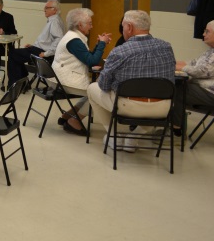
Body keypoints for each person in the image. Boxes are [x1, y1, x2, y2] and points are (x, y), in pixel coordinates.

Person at [87, 10, 175, 152]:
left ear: (129, 27)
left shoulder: (119, 51)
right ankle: (133, 137)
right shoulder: (167, 47)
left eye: (123, 27)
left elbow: (103, 85)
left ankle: (115, 135)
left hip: (128, 106)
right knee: (153, 99)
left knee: (92, 88)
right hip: (162, 108)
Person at [51, 8, 111, 135]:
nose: (92, 26)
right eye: (89, 23)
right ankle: (75, 121)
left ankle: (68, 116)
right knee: (98, 95)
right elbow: (92, 61)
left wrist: (98, 45)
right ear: (80, 25)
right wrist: (102, 45)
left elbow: (87, 57)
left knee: (92, 91)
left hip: (61, 77)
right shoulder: (74, 40)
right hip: (65, 80)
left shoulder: (74, 36)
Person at [6, 0, 65, 83]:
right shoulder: (54, 20)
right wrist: (33, 46)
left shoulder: (54, 22)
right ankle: (21, 81)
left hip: (42, 52)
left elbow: (59, 39)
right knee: (15, 55)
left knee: (13, 54)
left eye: (47, 8)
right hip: (38, 49)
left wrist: (46, 54)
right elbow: (48, 41)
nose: (44, 10)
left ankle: (15, 84)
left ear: (54, 10)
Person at [174, 19, 214, 129]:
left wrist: (176, 66)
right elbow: (193, 63)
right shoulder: (210, 51)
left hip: (211, 94)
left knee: (178, 90)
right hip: (204, 90)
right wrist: (171, 61)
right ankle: (177, 128)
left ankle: (176, 131)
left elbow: (200, 72)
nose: (203, 34)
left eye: (207, 31)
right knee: (178, 86)